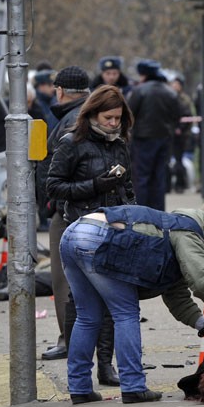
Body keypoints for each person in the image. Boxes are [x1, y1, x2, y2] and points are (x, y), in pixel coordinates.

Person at [59, 202, 204, 404]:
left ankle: (79, 388)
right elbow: (201, 282)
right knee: (125, 314)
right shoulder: (188, 231)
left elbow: (177, 296)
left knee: (87, 317)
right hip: (98, 237)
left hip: (73, 231)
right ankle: (133, 387)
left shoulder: (169, 227)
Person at [46, 84, 137, 387]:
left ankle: (105, 367)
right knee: (82, 305)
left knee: (113, 300)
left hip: (114, 229)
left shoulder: (119, 143)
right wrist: (95, 185)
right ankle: (79, 372)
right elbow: (54, 187)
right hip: (81, 231)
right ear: (93, 114)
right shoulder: (72, 142)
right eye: (108, 118)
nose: (113, 124)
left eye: (118, 119)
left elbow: (127, 186)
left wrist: (133, 217)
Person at [36, 66, 91, 362]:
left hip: (67, 209)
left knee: (64, 279)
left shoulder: (72, 118)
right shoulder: (87, 113)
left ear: (59, 90)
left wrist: (51, 199)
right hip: (82, 205)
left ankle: (70, 340)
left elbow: (60, 165)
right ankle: (83, 338)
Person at [128, 59, 181, 210]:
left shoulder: (139, 90)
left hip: (142, 140)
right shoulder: (170, 92)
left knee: (142, 177)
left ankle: (142, 211)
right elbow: (177, 116)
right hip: (164, 139)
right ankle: (158, 212)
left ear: (144, 74)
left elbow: (130, 114)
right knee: (159, 177)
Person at [169, 72, 197, 193]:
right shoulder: (169, 96)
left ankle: (180, 184)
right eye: (173, 84)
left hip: (180, 136)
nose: (174, 86)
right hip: (169, 134)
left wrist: (180, 128)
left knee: (179, 160)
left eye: (177, 84)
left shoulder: (184, 99)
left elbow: (187, 117)